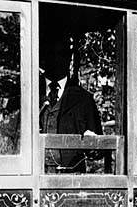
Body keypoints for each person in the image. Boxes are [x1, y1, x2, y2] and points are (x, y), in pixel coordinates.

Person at [39, 34, 102, 173]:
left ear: (69, 58)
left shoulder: (84, 99)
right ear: (41, 58)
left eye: (61, 53)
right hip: (33, 178)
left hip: (70, 182)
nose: (56, 59)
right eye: (50, 53)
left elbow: (98, 151)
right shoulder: (29, 95)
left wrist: (91, 144)